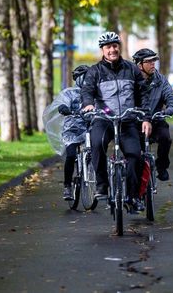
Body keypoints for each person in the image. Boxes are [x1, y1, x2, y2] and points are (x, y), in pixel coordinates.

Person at [81, 31, 152, 212]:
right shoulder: (94, 71)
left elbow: (143, 94)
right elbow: (87, 91)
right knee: (96, 144)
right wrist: (89, 105)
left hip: (127, 120)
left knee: (135, 155)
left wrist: (145, 118)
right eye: (108, 47)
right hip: (103, 119)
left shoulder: (131, 69)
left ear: (119, 47)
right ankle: (102, 185)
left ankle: (133, 197)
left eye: (115, 46)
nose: (112, 50)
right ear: (102, 50)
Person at [132, 48, 173, 181]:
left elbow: (170, 96)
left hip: (156, 120)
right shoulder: (131, 81)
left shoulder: (161, 80)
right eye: (149, 61)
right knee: (133, 152)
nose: (153, 64)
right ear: (139, 64)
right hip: (135, 122)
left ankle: (162, 166)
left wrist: (170, 108)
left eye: (154, 61)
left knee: (165, 138)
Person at [56, 65, 91, 201]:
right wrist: (64, 108)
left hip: (89, 127)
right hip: (72, 130)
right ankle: (67, 186)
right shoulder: (69, 93)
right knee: (71, 155)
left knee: (97, 151)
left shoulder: (95, 93)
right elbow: (62, 103)